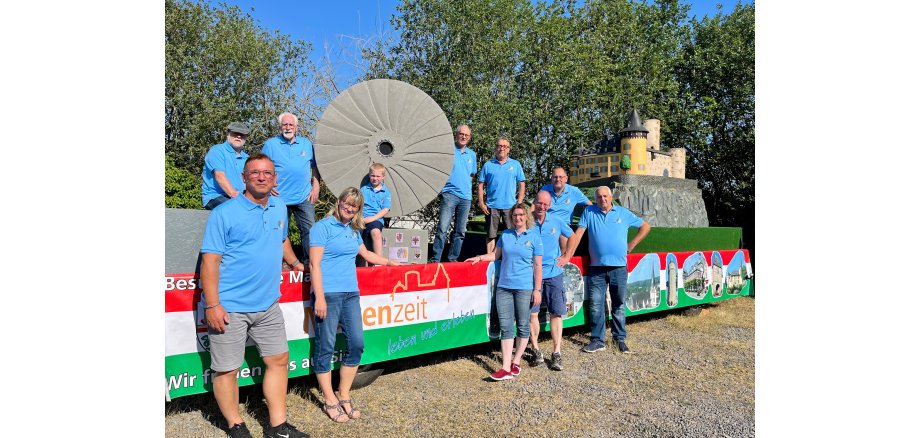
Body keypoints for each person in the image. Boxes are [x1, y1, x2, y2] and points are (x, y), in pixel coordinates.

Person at [199, 153, 309, 438]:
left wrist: (297, 263)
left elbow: (281, 238)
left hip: (268, 304)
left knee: (279, 360)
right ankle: (236, 425)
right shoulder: (224, 213)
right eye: (255, 172)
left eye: (267, 173)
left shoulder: (279, 207)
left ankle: (277, 426)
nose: (261, 177)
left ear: (275, 178)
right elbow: (210, 262)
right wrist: (212, 304)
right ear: (245, 178)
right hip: (230, 306)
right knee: (226, 370)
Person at [310, 187, 400, 423]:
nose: (349, 209)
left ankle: (344, 394)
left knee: (357, 344)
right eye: (347, 203)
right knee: (325, 347)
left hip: (351, 294)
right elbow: (314, 265)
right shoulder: (322, 227)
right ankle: (329, 398)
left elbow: (367, 255)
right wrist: (319, 297)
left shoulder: (353, 230)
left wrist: (389, 262)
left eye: (355, 206)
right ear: (339, 202)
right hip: (327, 294)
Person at [557, 186, 651, 354]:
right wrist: (567, 255)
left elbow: (645, 227)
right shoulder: (589, 212)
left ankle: (619, 339)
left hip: (619, 267)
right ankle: (597, 340)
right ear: (596, 198)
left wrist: (632, 244)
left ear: (611, 196)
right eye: (599, 197)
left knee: (619, 304)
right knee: (596, 305)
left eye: (605, 196)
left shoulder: (623, 213)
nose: (603, 199)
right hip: (596, 268)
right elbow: (578, 234)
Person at [467, 203, 542, 381]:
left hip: (524, 287)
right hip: (504, 287)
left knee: (523, 325)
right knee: (506, 326)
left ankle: (516, 362)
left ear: (526, 216)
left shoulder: (534, 236)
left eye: (521, 215)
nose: (517, 218)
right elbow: (495, 255)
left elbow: (538, 265)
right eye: (515, 215)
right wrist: (479, 257)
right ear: (511, 217)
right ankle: (506, 367)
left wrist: (537, 289)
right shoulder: (506, 235)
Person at [261, 112, 321, 264]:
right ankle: (279, 264)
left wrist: (316, 185)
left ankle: (310, 265)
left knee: (310, 230)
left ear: (297, 127)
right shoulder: (270, 145)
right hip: (278, 197)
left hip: (304, 196)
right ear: (280, 127)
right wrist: (267, 186)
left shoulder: (306, 143)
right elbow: (262, 167)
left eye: (291, 125)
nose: (288, 127)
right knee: (279, 231)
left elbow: (315, 167)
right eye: (285, 125)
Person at [526, 190, 573, 371]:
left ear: (549, 205)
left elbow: (573, 236)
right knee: (532, 314)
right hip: (531, 275)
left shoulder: (556, 221)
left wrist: (566, 256)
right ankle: (536, 350)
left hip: (553, 273)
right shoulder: (526, 220)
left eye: (545, 204)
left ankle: (556, 353)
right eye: (539, 203)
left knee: (556, 313)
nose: (542, 207)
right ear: (534, 202)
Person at [430, 124, 477, 263]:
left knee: (460, 231)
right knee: (442, 228)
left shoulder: (472, 155)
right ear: (456, 134)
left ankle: (452, 259)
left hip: (466, 198)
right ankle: (435, 259)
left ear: (469, 138)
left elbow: (471, 175)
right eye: (461, 134)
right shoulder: (448, 151)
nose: (463, 136)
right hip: (449, 194)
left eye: (466, 135)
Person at [478, 136, 526, 254]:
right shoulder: (488, 165)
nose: (502, 148)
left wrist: (519, 203)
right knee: (491, 235)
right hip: (491, 206)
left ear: (509, 149)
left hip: (510, 207)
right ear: (496, 148)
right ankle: (489, 261)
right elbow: (480, 185)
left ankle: (509, 258)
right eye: (499, 146)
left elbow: (522, 185)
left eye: (505, 146)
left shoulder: (515, 164)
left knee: (511, 234)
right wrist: (481, 203)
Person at [201, 122, 251, 210]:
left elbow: (250, 181)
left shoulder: (247, 158)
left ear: (246, 137)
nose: (239, 136)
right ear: (228, 135)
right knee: (238, 209)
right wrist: (235, 196)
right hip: (216, 197)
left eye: (242, 134)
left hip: (239, 197)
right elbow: (220, 176)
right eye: (235, 133)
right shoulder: (217, 151)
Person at [360, 163, 391, 261]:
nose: (375, 178)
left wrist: (372, 219)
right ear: (369, 175)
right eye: (373, 175)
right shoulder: (364, 190)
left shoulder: (386, 192)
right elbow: (358, 205)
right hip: (362, 219)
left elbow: (385, 209)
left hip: (376, 219)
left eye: (378, 176)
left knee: (376, 233)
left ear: (383, 177)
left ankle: (379, 262)